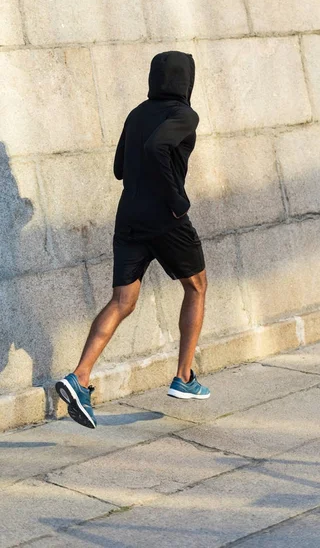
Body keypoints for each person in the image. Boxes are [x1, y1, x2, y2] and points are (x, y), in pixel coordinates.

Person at [55, 50, 210, 429]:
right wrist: (177, 200)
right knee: (197, 287)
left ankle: (80, 377)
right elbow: (156, 148)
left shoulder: (137, 113)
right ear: (186, 80)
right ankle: (184, 378)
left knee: (122, 300)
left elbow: (120, 168)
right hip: (165, 219)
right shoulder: (184, 115)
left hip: (129, 217)